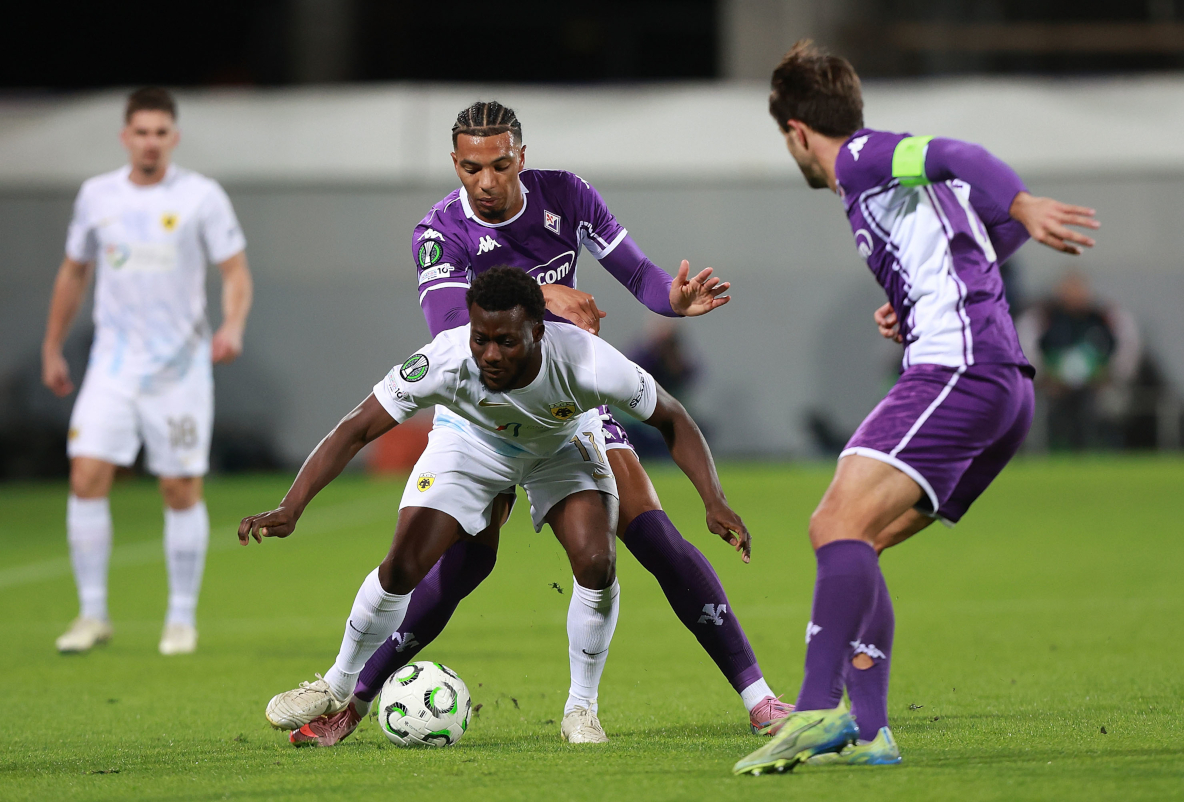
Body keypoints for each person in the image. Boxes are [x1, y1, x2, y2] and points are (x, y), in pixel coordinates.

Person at [266, 101, 792, 740]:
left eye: (500, 165)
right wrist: (543, 295)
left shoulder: (566, 197)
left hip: (561, 402)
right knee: (459, 565)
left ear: (522, 156)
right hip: (479, 417)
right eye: (471, 168)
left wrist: (672, 300)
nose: (486, 182)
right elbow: (453, 329)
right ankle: (349, 698)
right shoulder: (439, 231)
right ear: (454, 164)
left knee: (650, 539)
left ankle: (758, 699)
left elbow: (640, 276)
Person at [733, 41, 1100, 775]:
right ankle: (871, 733)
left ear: (798, 132)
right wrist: (914, 299)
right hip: (1002, 384)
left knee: (833, 523)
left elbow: (954, 153)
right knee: (858, 542)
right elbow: (987, 235)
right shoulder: (884, 189)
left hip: (961, 371)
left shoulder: (862, 157)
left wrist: (1022, 200)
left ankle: (814, 708)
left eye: (785, 138)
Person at [239, 268, 749, 746]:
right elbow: (355, 429)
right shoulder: (444, 358)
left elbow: (673, 418)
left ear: (538, 331)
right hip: (472, 444)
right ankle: (337, 685)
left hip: (559, 446)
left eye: (506, 341)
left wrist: (715, 500)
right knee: (402, 566)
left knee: (597, 561)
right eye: (480, 338)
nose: (490, 354)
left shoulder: (587, 360)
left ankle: (581, 707)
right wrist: (292, 506)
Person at [41, 87, 253, 656]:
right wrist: (52, 346)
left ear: (173, 137)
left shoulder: (201, 196)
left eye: (161, 132)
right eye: (141, 132)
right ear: (125, 137)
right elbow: (73, 272)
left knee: (179, 487)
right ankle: (92, 614)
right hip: (112, 364)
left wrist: (232, 325)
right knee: (86, 475)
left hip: (179, 368)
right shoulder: (97, 196)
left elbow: (235, 271)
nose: (151, 142)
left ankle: (180, 619)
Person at [1017, 270, 1141, 450]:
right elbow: (1024, 348)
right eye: (1069, 289)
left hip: (1100, 386)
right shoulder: (1044, 317)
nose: (1074, 295)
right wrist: (1044, 378)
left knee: (1111, 404)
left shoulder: (1104, 318)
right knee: (1034, 405)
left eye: (1078, 289)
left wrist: (1110, 375)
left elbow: (1129, 345)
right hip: (1051, 388)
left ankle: (1108, 447)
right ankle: (1046, 449)